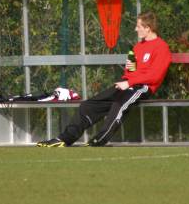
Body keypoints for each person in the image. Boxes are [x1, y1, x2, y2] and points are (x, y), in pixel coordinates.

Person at [37, 11, 171, 147]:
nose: (135, 29)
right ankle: (65, 138)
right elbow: (130, 71)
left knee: (119, 104)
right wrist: (129, 71)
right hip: (127, 85)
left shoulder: (161, 47)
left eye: (138, 26)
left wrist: (129, 82)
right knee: (87, 106)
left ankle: (99, 140)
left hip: (143, 87)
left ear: (148, 28)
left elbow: (155, 76)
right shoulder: (138, 47)